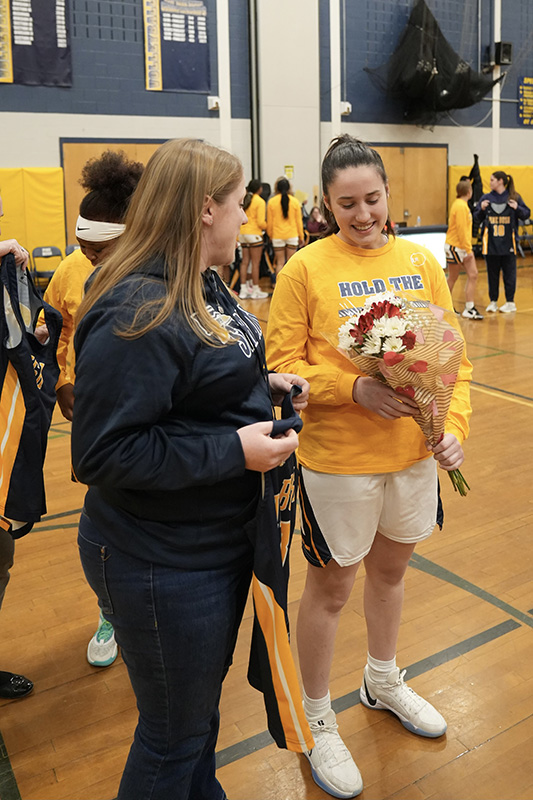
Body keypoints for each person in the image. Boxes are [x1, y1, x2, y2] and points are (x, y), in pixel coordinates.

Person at [70, 138, 311, 799]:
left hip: (208, 542)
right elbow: (102, 453)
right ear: (206, 209)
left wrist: (264, 389)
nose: (246, 219)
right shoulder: (137, 308)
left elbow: (201, 382)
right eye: (239, 205)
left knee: (194, 720)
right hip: (160, 561)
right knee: (172, 737)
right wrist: (234, 450)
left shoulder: (203, 279)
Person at [266, 134, 472, 799]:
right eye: (346, 203)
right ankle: (316, 715)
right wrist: (349, 388)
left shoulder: (419, 261)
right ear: (325, 204)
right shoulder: (303, 269)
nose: (362, 214)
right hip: (337, 465)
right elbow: (279, 369)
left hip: (410, 457)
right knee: (331, 588)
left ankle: (381, 680)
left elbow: (453, 360)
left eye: (372, 199)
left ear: (388, 195)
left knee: (391, 573)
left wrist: (453, 429)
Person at [44, 150, 144, 668]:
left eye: (96, 251)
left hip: (145, 421)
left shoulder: (154, 276)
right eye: (81, 248)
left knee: (140, 515)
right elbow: (60, 329)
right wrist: (64, 382)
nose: (87, 258)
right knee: (103, 516)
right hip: (92, 416)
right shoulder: (69, 270)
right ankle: (110, 609)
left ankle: (142, 608)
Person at [474, 170, 530, 313]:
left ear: (500, 181)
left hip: (509, 244)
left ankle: (510, 302)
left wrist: (517, 208)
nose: (490, 182)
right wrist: (481, 209)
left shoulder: (514, 197)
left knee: (509, 274)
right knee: (492, 275)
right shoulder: (486, 198)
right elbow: (476, 218)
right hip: (491, 244)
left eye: (492, 180)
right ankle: (493, 301)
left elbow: (526, 214)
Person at [445, 179, 483, 319]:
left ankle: (469, 307)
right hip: (457, 247)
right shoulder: (460, 206)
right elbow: (461, 230)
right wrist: (468, 250)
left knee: (472, 274)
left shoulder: (460, 205)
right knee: (454, 277)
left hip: (460, 246)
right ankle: (446, 306)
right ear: (469, 192)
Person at [238, 178, 269, 299]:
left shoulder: (245, 198)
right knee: (255, 263)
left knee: (245, 262)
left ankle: (243, 289)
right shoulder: (260, 201)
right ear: (260, 189)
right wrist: (268, 227)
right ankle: (256, 289)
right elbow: (261, 222)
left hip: (242, 233)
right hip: (255, 234)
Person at [266, 177, 304, 273]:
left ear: (277, 188)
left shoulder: (271, 202)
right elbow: (299, 221)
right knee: (291, 263)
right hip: (292, 235)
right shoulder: (295, 202)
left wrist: (270, 235)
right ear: (289, 189)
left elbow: (269, 222)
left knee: (280, 263)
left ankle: (280, 286)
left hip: (277, 236)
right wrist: (301, 237)